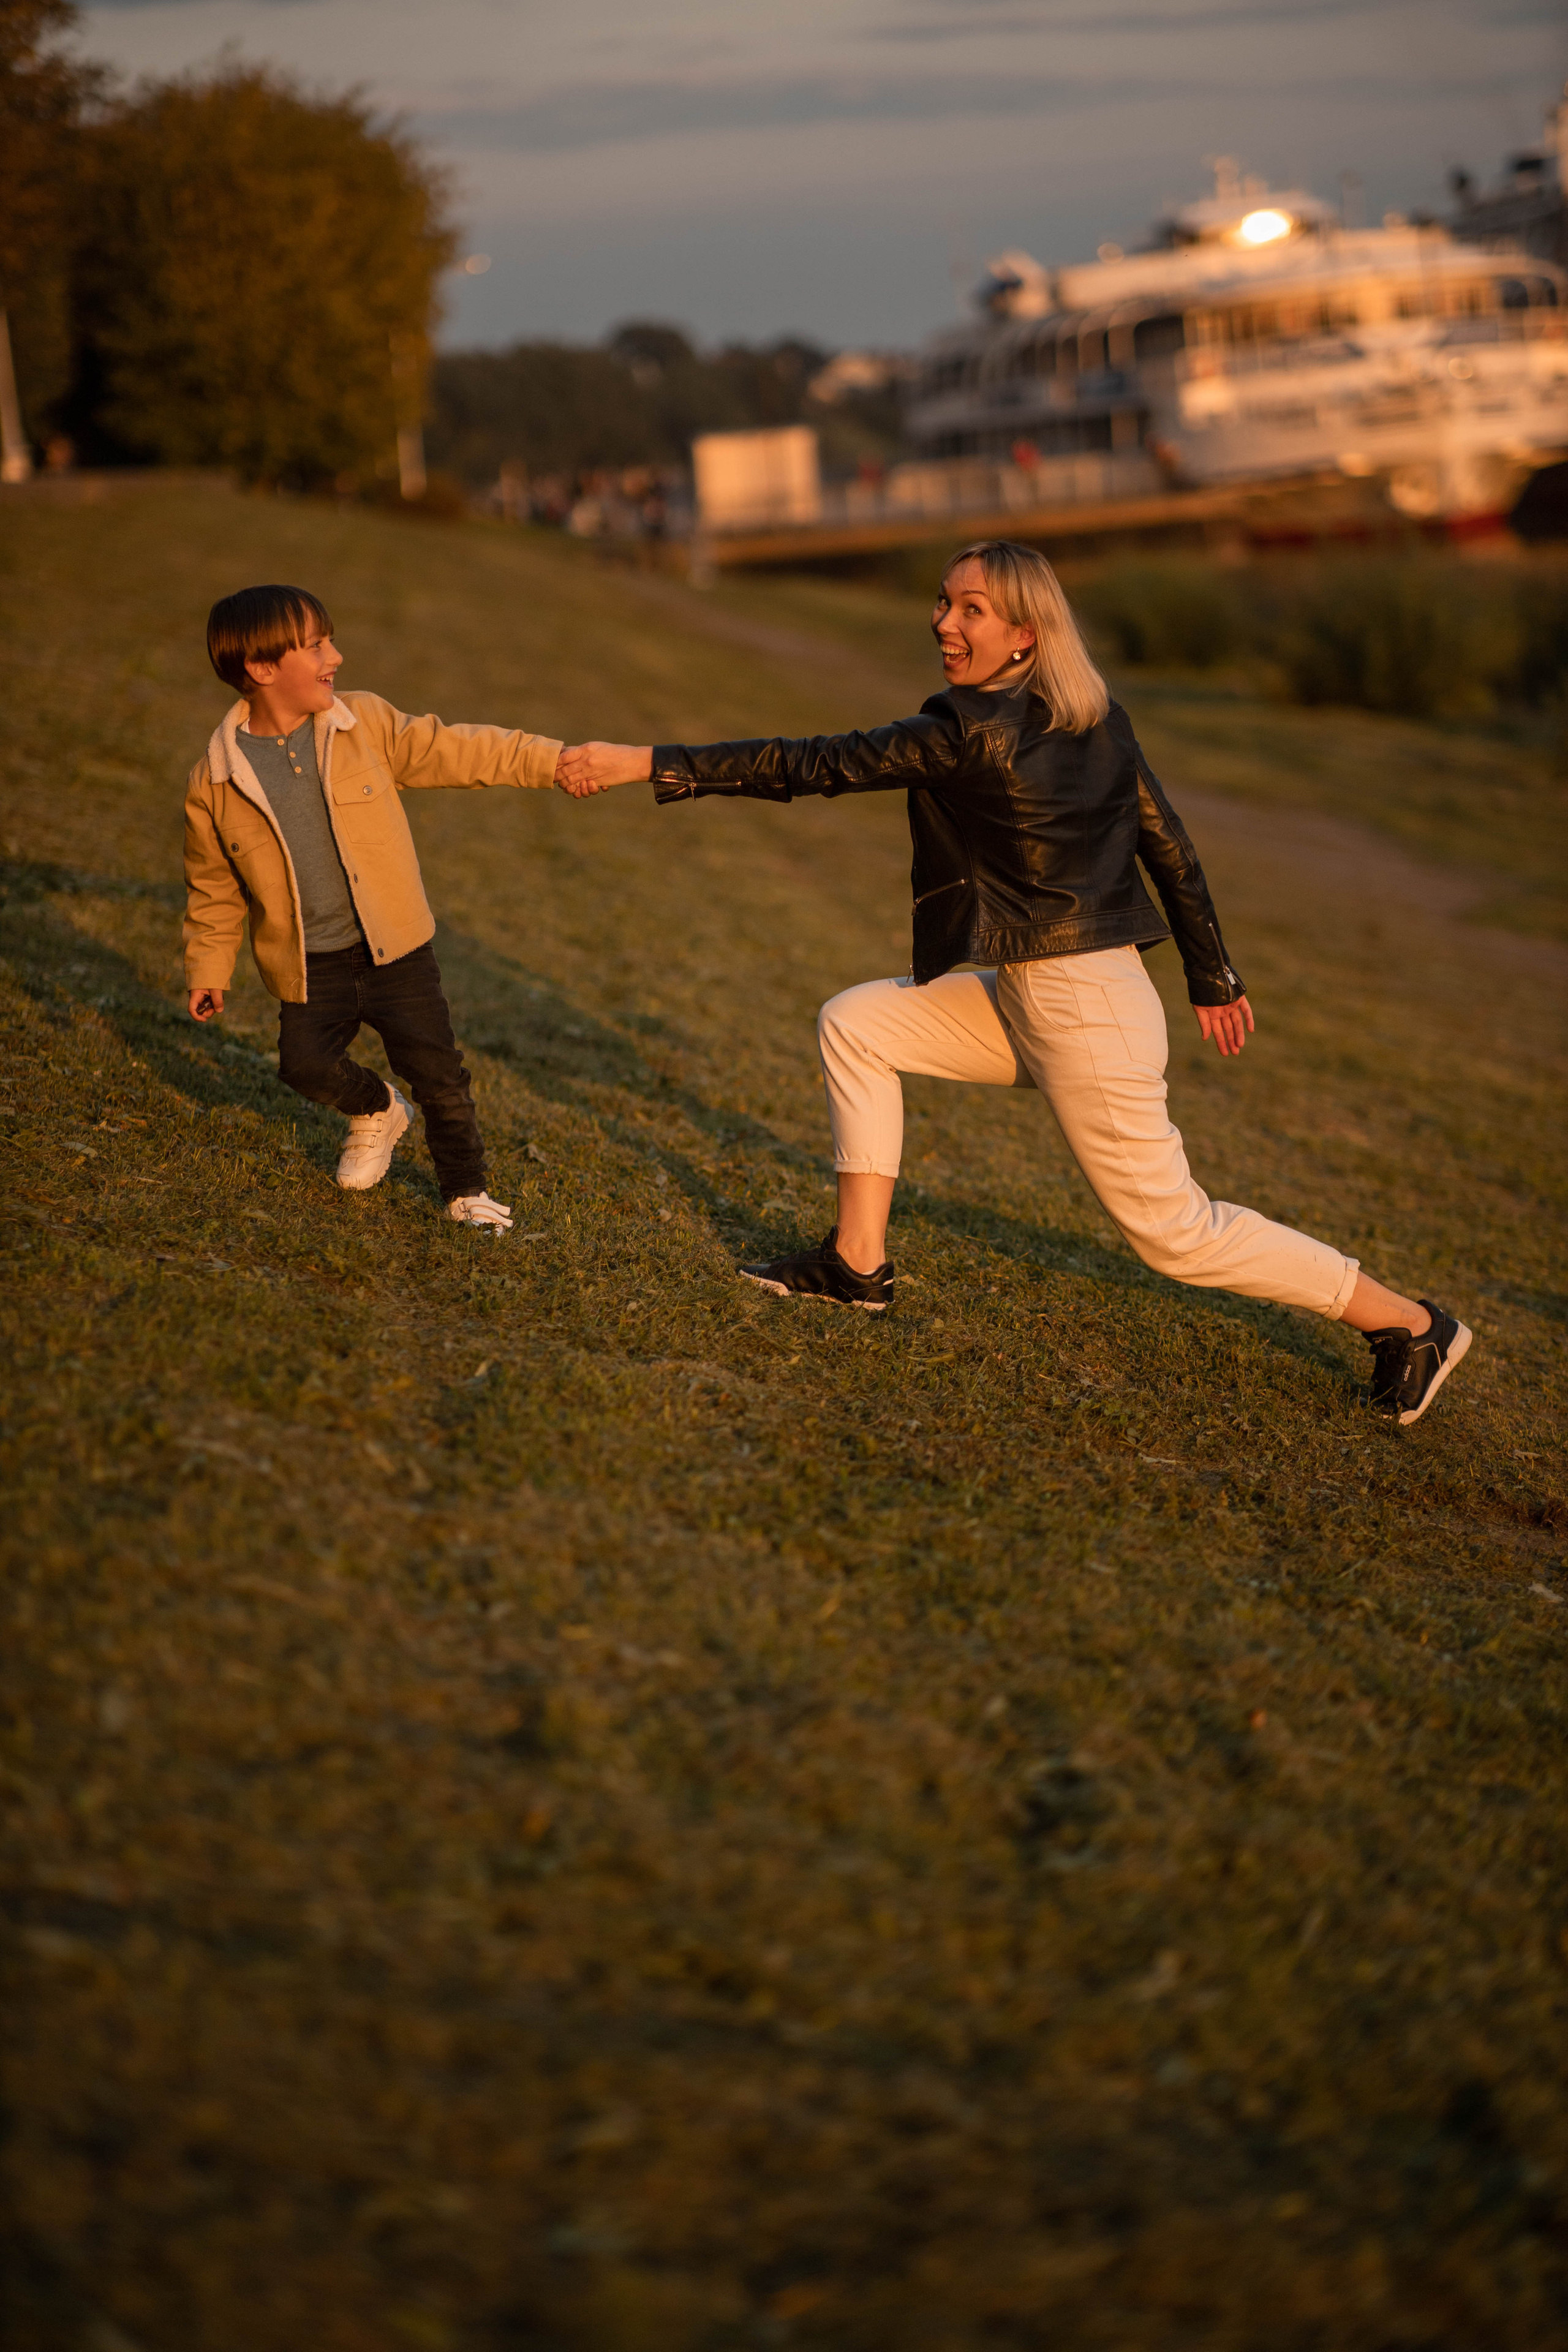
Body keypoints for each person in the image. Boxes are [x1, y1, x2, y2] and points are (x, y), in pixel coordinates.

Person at [558, 540, 1471, 1427]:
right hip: (1049, 994)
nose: (943, 622)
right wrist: (1212, 975)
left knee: (1176, 1234)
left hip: (1084, 1012)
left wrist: (646, 761)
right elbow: (1171, 847)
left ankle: (1410, 1324)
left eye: (972, 610)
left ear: (1025, 635)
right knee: (858, 1023)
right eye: (943, 601)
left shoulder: (971, 731)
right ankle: (855, 1263)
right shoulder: (1096, 715)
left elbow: (814, 763)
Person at [185, 583, 565, 1229]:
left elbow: (459, 749)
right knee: (303, 1066)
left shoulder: (363, 724)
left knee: (439, 1076)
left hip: (397, 951)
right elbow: (214, 887)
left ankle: (466, 1192)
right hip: (311, 963)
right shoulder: (216, 780)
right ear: (262, 668)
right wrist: (208, 968)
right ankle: (376, 1110)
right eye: (316, 646)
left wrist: (554, 761)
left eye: (329, 640)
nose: (335, 656)